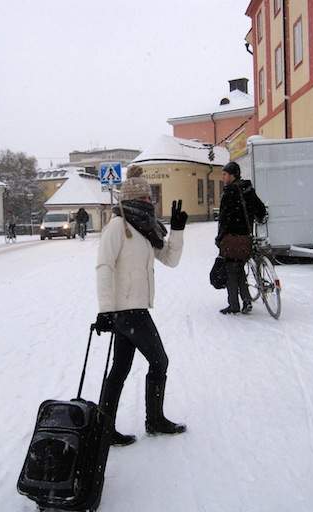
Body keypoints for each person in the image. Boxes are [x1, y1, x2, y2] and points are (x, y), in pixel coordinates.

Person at [94, 166, 188, 447]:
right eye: (146, 198)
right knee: (160, 361)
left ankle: (104, 428)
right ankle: (154, 420)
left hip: (135, 310)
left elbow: (170, 260)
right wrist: (105, 311)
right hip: (127, 312)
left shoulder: (146, 229)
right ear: (134, 200)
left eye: (150, 199)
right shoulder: (116, 228)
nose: (150, 203)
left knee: (120, 369)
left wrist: (178, 231)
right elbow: (103, 267)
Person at [216, 161, 266, 315]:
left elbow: (224, 219)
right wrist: (257, 217)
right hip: (246, 238)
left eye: (225, 174)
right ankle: (246, 300)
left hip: (231, 238)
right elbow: (261, 210)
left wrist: (219, 238)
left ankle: (234, 305)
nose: (223, 177)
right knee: (239, 268)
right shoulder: (248, 190)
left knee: (231, 270)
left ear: (233, 175)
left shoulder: (229, 192)